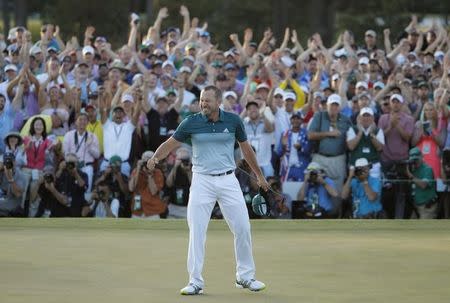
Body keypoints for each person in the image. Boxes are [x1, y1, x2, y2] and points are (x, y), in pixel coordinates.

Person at [146, 85, 269, 295]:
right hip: (202, 181)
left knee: (242, 227)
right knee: (197, 231)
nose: (203, 104)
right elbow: (171, 143)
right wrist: (155, 157)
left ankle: (245, 276)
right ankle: (195, 281)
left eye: (207, 100)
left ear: (218, 102)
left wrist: (259, 175)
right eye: (202, 100)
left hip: (228, 180)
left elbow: (246, 149)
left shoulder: (233, 121)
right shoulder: (191, 122)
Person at [129, 151, 166, 219]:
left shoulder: (157, 173)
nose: (147, 164)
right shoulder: (136, 171)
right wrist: (138, 168)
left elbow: (153, 191)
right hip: (137, 210)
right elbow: (131, 188)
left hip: (153, 210)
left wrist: (150, 175)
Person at [406, 147, 438, 219]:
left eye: (416, 159)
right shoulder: (412, 170)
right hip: (415, 206)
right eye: (413, 160)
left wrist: (410, 176)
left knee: (424, 229)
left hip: (427, 207)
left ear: (421, 157)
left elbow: (424, 185)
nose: (415, 161)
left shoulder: (427, 169)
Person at [165, 147, 192, 218]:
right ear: (176, 159)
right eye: (181, 159)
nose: (183, 161)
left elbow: (194, 185)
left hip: (187, 207)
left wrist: (188, 171)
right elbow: (168, 184)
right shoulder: (172, 167)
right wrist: (175, 167)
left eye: (185, 159)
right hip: (173, 206)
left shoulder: (192, 168)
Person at [0, 152, 26, 217]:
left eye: (10, 161)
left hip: (10, 209)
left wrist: (10, 179)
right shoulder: (1, 171)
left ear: (15, 162)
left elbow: (18, 194)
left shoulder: (20, 175)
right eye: (6, 162)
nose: (9, 164)